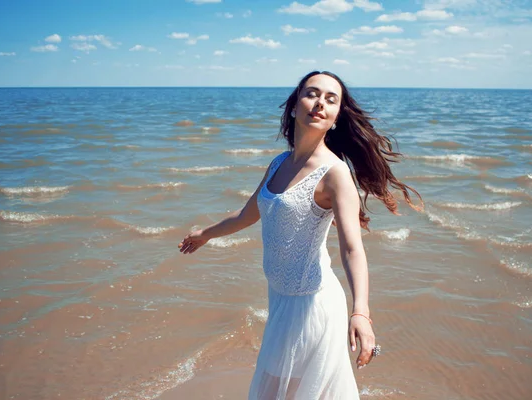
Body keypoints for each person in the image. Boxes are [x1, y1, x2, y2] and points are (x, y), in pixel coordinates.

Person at [178, 71, 422, 399]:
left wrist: (360, 312)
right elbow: (249, 213)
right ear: (294, 106)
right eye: (312, 94)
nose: (320, 103)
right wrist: (205, 233)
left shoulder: (335, 175)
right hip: (280, 300)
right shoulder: (279, 162)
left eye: (330, 99)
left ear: (335, 118)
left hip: (311, 305)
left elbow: (352, 249)